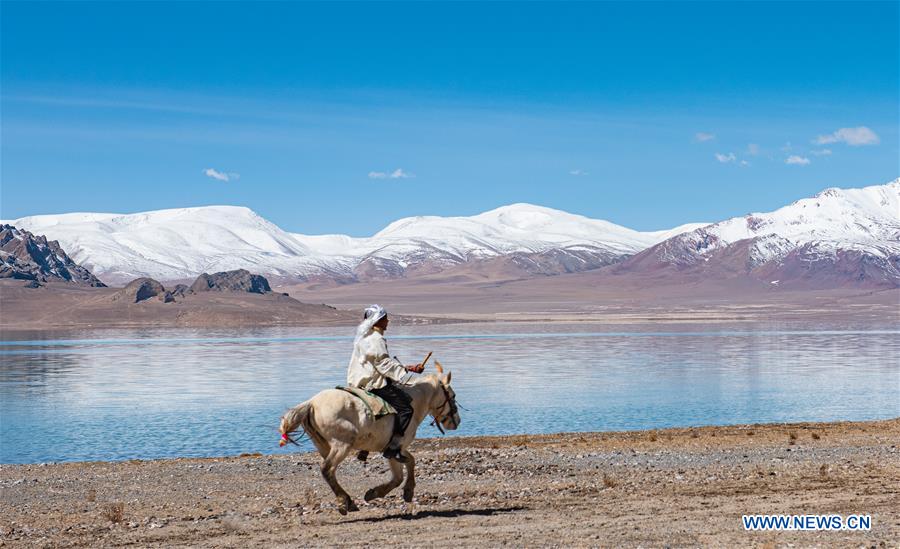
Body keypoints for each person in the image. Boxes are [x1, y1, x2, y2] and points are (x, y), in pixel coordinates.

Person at [347, 304, 424, 462]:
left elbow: (378, 362)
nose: (388, 321)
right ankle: (393, 448)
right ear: (378, 320)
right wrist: (407, 370)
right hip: (373, 383)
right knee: (406, 409)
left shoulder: (363, 338)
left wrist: (405, 368)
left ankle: (365, 449)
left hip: (357, 382)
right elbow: (383, 364)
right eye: (385, 318)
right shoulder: (377, 339)